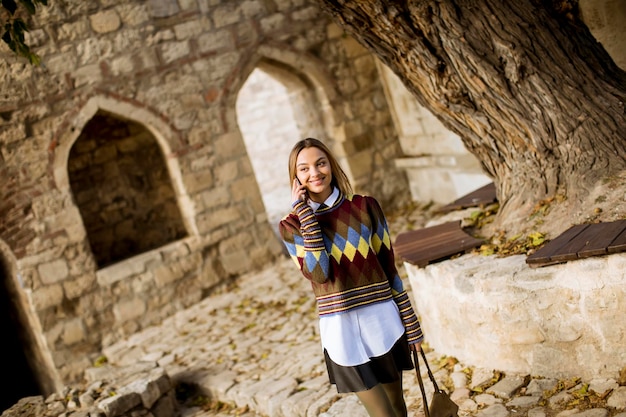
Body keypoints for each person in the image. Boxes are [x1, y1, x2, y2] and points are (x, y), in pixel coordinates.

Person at [278, 138, 423, 417]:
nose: (315, 173)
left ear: (331, 165)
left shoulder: (365, 208)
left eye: (320, 163)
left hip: (382, 320)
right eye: (304, 168)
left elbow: (389, 267)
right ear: (295, 177)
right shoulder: (291, 226)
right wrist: (306, 216)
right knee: (383, 414)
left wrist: (411, 321)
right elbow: (320, 274)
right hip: (340, 330)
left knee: (397, 408)